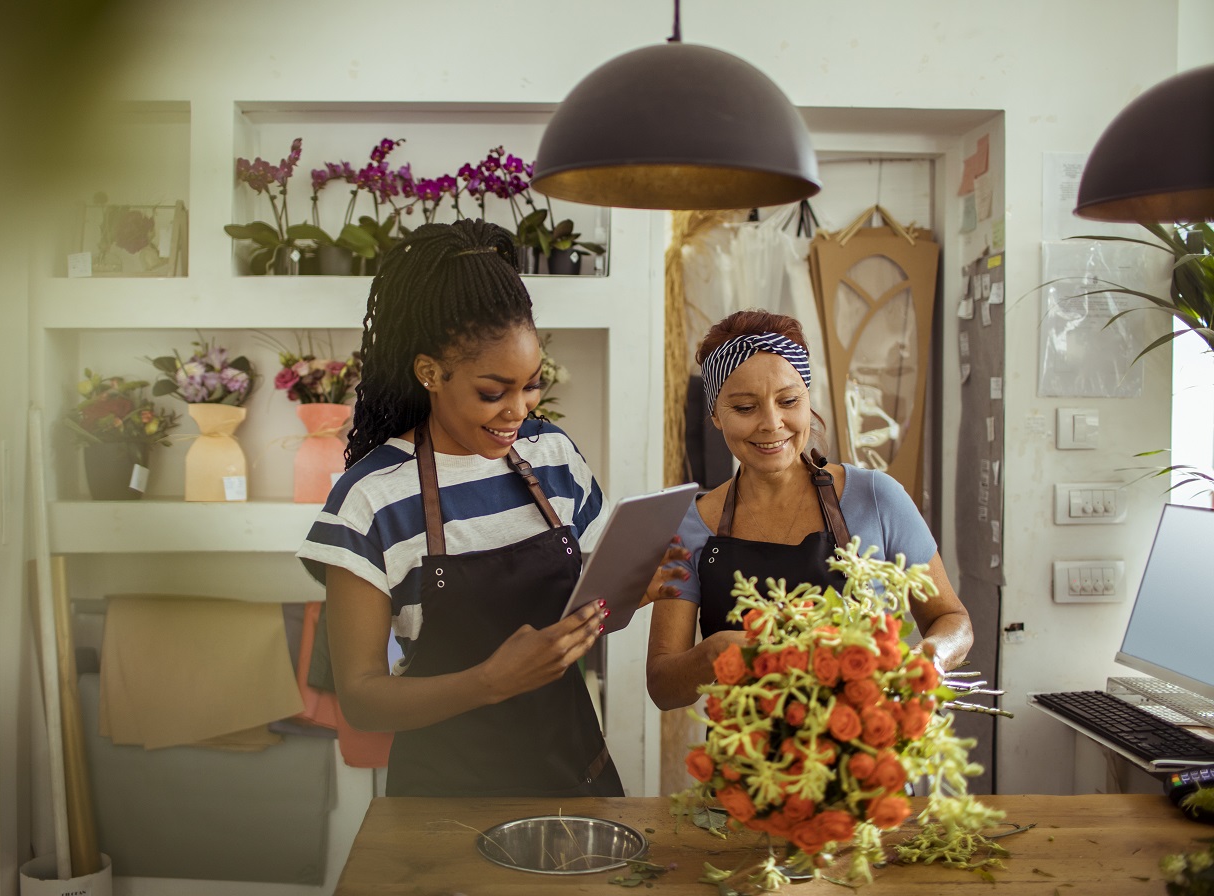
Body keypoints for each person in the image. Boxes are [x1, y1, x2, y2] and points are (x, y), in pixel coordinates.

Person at [296, 219, 623, 797]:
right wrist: (488, 682)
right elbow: (362, 699)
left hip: (576, 781)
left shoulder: (551, 456)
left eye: (532, 384)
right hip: (443, 805)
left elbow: (592, 606)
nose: (518, 411)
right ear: (430, 373)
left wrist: (634, 586)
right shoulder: (372, 499)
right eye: (493, 392)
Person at [645, 309, 973, 711]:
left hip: (869, 758)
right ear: (715, 414)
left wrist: (929, 660)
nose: (772, 423)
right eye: (745, 408)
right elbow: (663, 686)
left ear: (808, 400)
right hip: (747, 767)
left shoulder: (876, 497)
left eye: (788, 401)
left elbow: (952, 619)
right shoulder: (692, 525)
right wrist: (714, 653)